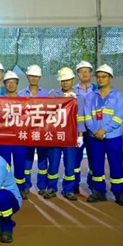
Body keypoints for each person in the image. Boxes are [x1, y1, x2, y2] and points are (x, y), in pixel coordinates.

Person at [84, 64, 123, 206]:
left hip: (113, 137)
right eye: (98, 77)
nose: (100, 79)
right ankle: (98, 191)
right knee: (96, 165)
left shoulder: (118, 96)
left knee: (116, 165)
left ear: (110, 78)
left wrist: (104, 130)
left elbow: (118, 117)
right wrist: (95, 131)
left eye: (104, 77)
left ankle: (119, 193)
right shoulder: (90, 97)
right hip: (95, 137)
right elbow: (87, 118)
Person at [44, 68, 84, 201]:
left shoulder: (79, 97)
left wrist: (80, 135)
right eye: (62, 80)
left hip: (71, 137)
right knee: (53, 163)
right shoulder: (53, 94)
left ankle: (68, 190)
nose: (65, 83)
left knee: (70, 164)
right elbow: (47, 112)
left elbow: (80, 118)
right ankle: (51, 188)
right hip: (55, 136)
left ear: (73, 80)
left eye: (67, 80)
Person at [19, 65, 50, 196]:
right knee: (27, 160)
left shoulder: (46, 94)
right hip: (27, 133)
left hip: (42, 132)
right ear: (27, 77)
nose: (34, 78)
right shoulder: (21, 94)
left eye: (36, 76)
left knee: (42, 160)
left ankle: (42, 186)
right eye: (31, 76)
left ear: (39, 77)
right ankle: (26, 185)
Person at [0, 70, 28, 198]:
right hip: (4, 139)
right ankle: (7, 188)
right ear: (4, 84)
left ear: (17, 84)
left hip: (20, 138)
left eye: (13, 82)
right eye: (8, 82)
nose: (11, 84)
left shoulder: (25, 101)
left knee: (20, 164)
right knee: (5, 165)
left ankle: (20, 188)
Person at [74, 60, 97, 194]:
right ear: (78, 74)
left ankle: (93, 183)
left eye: (87, 71)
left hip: (93, 130)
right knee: (75, 158)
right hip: (77, 131)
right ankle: (74, 184)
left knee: (94, 157)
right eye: (81, 71)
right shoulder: (72, 91)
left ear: (91, 73)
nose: (84, 74)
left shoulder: (98, 89)